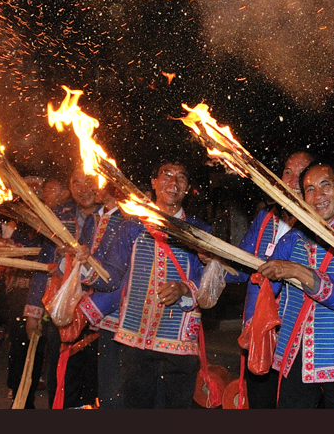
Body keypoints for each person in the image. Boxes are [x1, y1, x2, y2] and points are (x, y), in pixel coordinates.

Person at [80, 159, 219, 409]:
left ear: (187, 187)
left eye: (181, 177)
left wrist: (185, 288)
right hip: (135, 339)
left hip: (179, 342)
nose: (173, 182)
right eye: (166, 175)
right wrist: (85, 262)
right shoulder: (132, 225)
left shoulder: (200, 230)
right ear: (154, 183)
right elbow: (111, 276)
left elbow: (211, 279)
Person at [258, 159, 334, 408]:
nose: (318, 196)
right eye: (310, 189)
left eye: (326, 186)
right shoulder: (294, 239)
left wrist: (299, 272)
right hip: (294, 354)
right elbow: (267, 285)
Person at [227, 148, 314, 408]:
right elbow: (240, 265)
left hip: (298, 336)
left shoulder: (320, 226)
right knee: (260, 402)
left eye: (301, 174)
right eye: (287, 172)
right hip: (261, 332)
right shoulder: (266, 219)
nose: (291, 180)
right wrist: (215, 260)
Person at [24, 168, 102, 408]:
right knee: (61, 379)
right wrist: (33, 311)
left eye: (89, 182)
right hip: (61, 310)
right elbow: (44, 263)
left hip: (101, 310)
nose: (83, 189)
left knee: (96, 382)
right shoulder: (57, 215)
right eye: (76, 183)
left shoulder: (114, 217)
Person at [77, 184, 145, 409]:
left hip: (130, 316)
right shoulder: (94, 219)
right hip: (105, 315)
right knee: (107, 384)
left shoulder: (133, 222)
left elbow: (119, 276)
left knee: (130, 386)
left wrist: (93, 307)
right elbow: (104, 269)